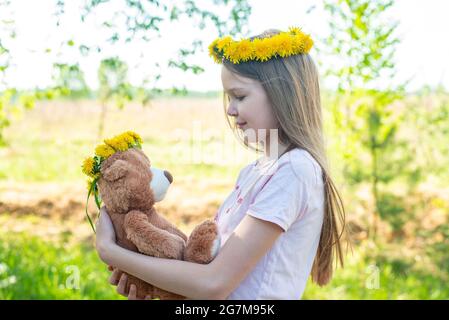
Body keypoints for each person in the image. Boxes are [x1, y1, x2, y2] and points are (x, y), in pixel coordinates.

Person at [95, 26, 347, 300]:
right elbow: (209, 274)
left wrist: (110, 251)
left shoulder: (295, 170)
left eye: (240, 96)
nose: (230, 109)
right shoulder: (254, 171)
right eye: (229, 98)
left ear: (280, 94)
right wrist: (152, 280)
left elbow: (214, 284)